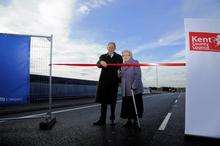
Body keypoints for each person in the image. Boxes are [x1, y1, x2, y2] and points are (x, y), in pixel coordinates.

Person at [93, 42, 123, 126]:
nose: (110, 48)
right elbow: (98, 64)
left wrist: (120, 79)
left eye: (112, 47)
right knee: (103, 101)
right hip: (104, 82)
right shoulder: (103, 56)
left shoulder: (119, 57)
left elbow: (120, 68)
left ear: (115, 48)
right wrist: (101, 62)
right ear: (107, 48)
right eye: (109, 47)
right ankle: (102, 120)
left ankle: (112, 119)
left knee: (113, 101)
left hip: (114, 82)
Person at [119, 50, 144, 128]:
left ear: (131, 55)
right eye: (123, 55)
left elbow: (138, 75)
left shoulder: (135, 62)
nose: (125, 57)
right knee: (127, 105)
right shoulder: (122, 65)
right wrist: (119, 74)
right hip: (125, 88)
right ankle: (128, 121)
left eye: (127, 55)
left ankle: (135, 120)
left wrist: (134, 86)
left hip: (134, 88)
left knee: (135, 104)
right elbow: (121, 76)